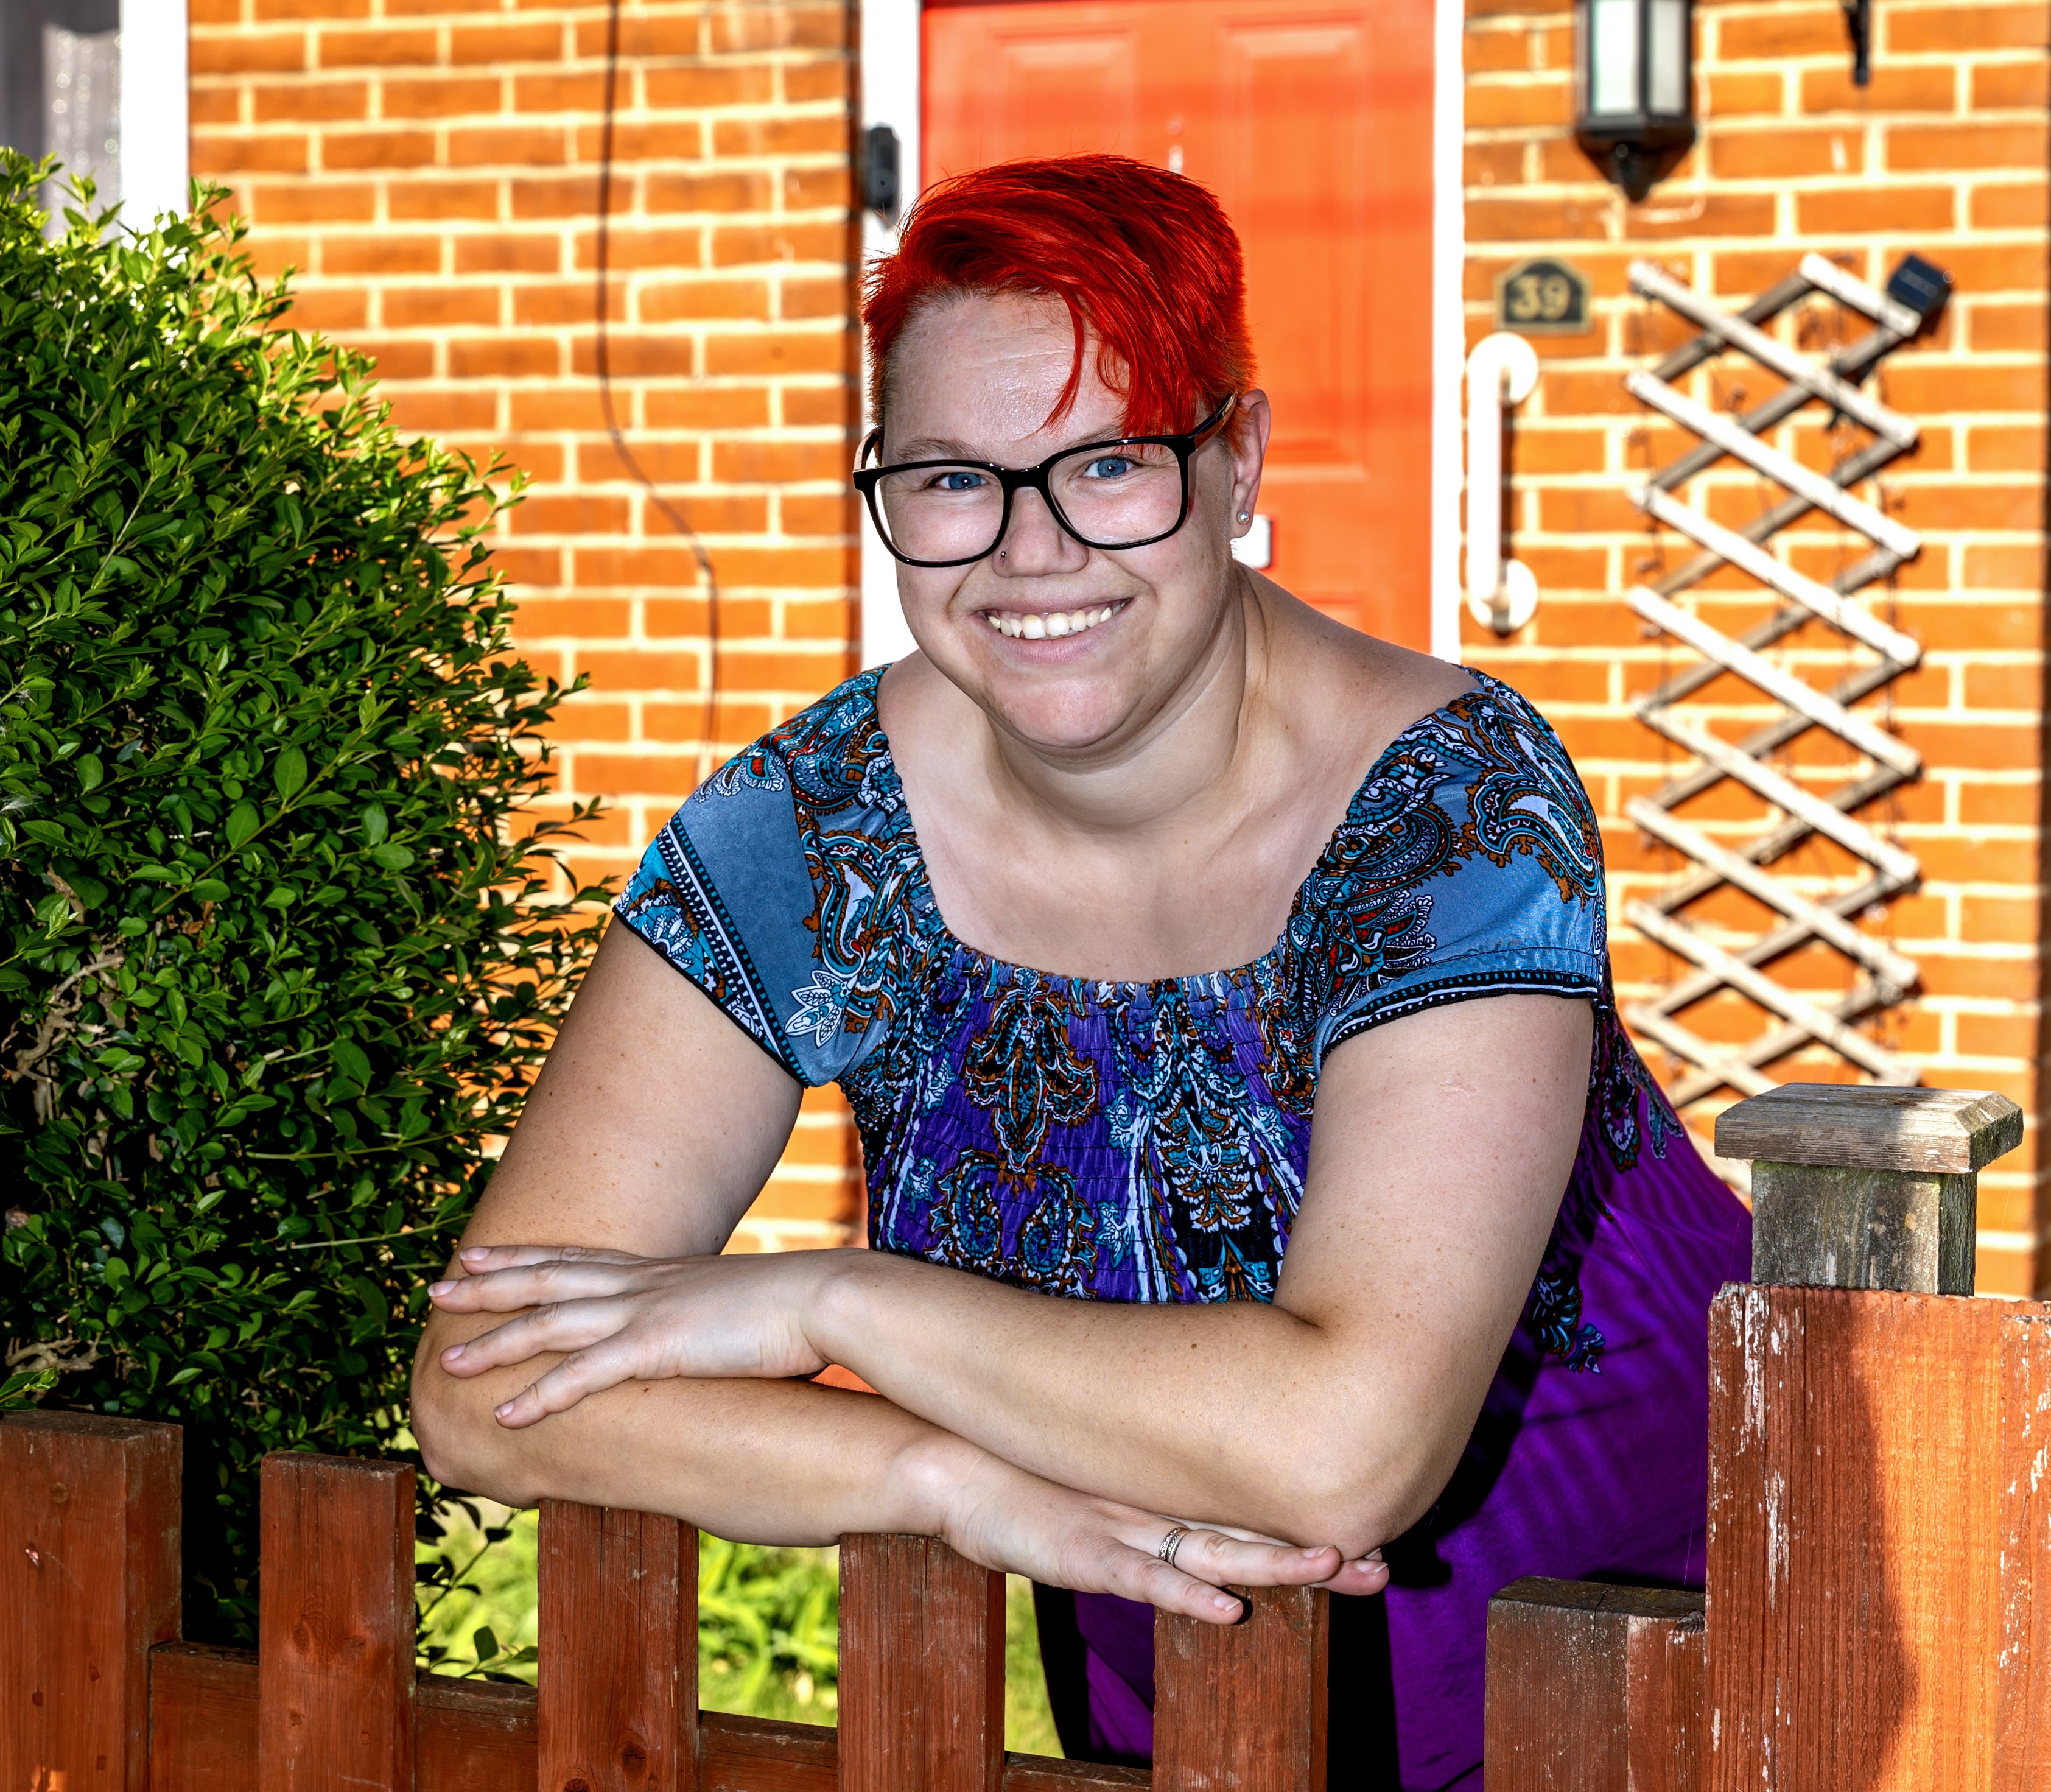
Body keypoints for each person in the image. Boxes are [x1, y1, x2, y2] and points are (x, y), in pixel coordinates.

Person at [410, 155, 1751, 1787]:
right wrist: (938, 1478)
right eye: (954, 480)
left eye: (1108, 465)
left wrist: (832, 1300)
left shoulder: (1449, 804)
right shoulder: (813, 832)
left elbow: (1344, 1452)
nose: (1030, 554)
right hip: (1177, 1688)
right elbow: (489, 1393)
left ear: (1236, 455)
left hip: (1635, 1673)